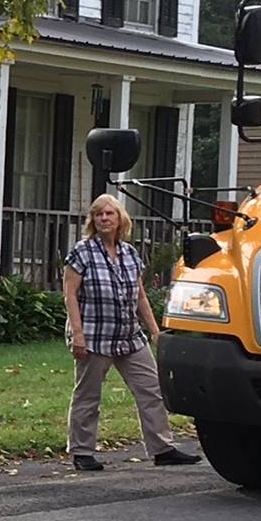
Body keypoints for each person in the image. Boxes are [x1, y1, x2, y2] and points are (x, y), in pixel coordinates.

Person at [63, 193, 199, 472]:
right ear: (92, 220)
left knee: (152, 389)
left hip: (129, 335)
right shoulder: (81, 252)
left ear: (120, 219)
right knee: (88, 395)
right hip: (94, 335)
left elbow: (139, 296)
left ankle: (163, 448)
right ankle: (82, 452)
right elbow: (70, 294)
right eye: (98, 214)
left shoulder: (129, 254)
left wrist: (155, 330)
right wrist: (77, 334)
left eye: (109, 214)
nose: (104, 218)